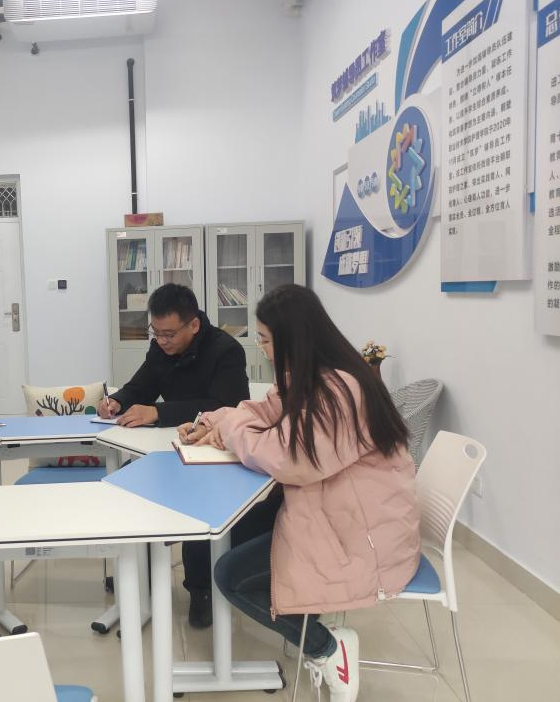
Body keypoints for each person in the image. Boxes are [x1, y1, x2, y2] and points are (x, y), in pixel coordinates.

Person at [178, 285, 419, 702]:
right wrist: (213, 421)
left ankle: (327, 647)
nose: (263, 350)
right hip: (336, 512)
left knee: (231, 576)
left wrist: (231, 431)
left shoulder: (338, 391)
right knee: (229, 535)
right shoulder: (313, 376)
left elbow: (289, 459)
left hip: (364, 536)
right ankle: (307, 621)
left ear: (294, 338)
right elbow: (260, 411)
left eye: (266, 340)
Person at [96, 283, 248, 624]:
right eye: (156, 333)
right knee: (139, 494)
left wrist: (158, 412)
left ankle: (200, 589)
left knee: (198, 511)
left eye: (169, 334)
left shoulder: (226, 351)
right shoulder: (160, 349)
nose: (162, 341)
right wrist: (117, 400)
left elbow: (225, 405)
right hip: (166, 447)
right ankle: (142, 574)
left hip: (210, 453)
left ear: (193, 324)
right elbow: (142, 385)